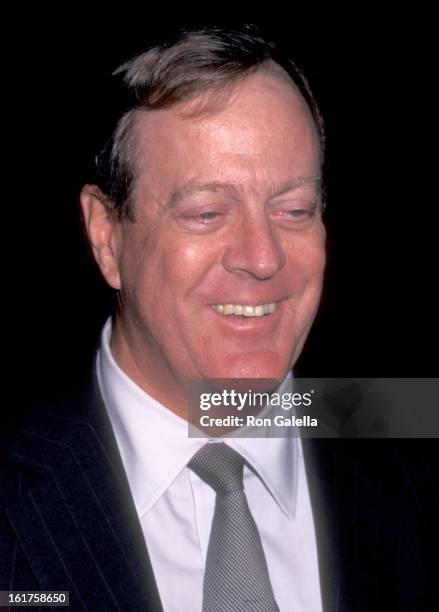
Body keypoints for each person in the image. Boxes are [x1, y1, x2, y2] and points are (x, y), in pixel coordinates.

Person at [0, 25, 435, 612]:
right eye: (207, 213)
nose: (263, 258)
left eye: (294, 209)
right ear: (107, 238)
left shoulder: (408, 438)